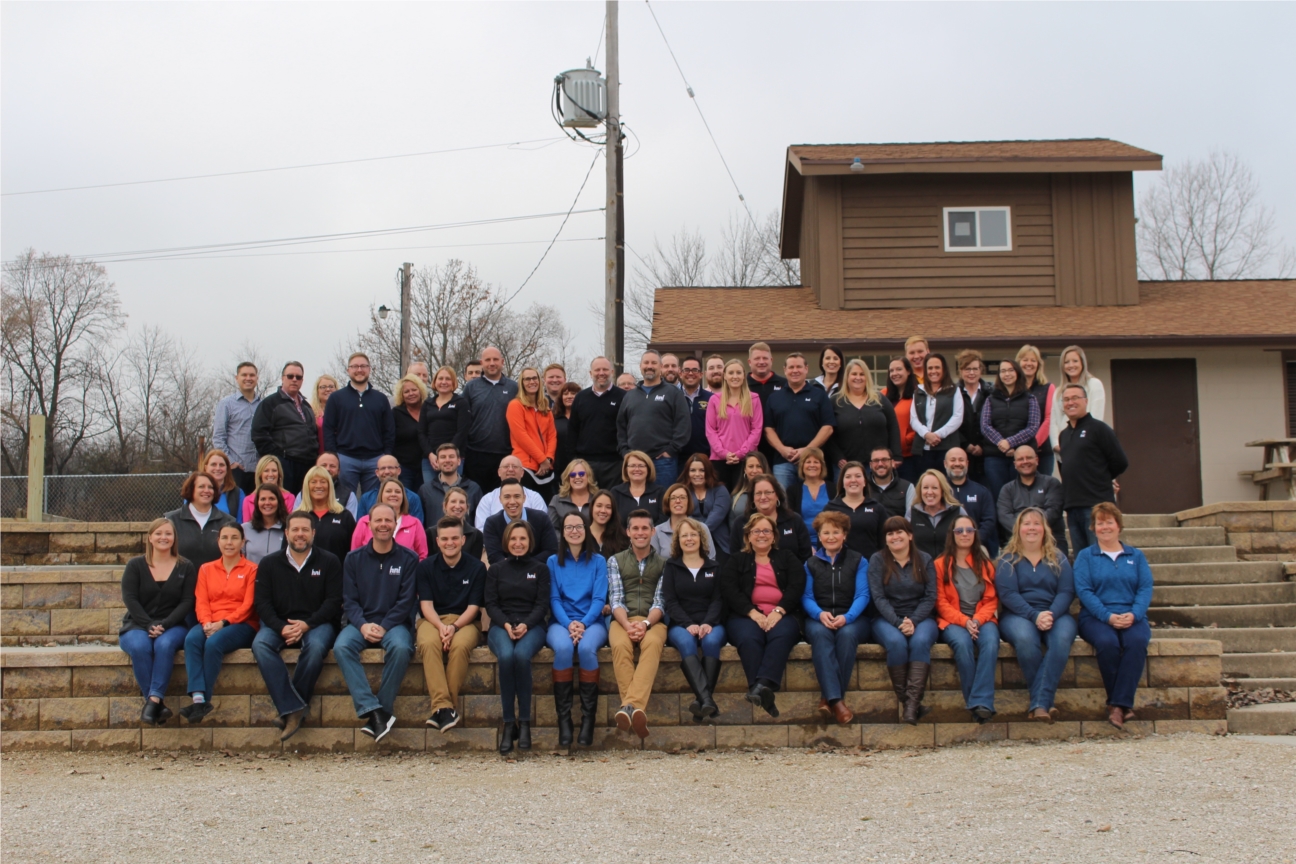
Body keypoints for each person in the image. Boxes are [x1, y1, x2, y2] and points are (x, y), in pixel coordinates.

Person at [251, 511, 342, 741]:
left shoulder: (329, 561)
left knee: (315, 649)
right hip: (278, 624)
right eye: (295, 530)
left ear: (313, 533)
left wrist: (307, 625)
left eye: (304, 530)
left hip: (317, 624)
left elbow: (334, 601)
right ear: (286, 533)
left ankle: (289, 710)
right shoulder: (269, 563)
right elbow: (262, 602)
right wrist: (281, 627)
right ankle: (294, 706)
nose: (300, 534)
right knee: (260, 645)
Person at [334, 502, 418, 742]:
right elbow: (349, 600)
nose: (383, 525)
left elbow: (406, 601)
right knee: (341, 647)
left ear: (396, 524)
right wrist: (362, 625)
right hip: (360, 623)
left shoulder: (409, 558)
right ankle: (372, 709)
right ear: (368, 524)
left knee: (402, 648)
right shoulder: (353, 559)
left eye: (388, 521)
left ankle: (381, 710)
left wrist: (384, 626)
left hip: (394, 624)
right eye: (378, 521)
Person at [1074, 503, 1154, 730]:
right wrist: (1107, 616)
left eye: (1109, 522)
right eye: (1100, 523)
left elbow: (1145, 588)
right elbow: (1084, 591)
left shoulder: (1135, 556)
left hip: (1132, 615)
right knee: (1108, 643)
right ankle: (1122, 705)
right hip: (1095, 617)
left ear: (1118, 526)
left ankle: (1117, 706)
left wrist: (1135, 614)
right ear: (1093, 527)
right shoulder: (1085, 557)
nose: (1105, 527)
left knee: (1137, 641)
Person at [996, 507, 1078, 723]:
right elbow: (1008, 594)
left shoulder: (1058, 557)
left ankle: (1039, 704)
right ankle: (1044, 703)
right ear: (1018, 529)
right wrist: (1034, 615)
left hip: (1056, 613)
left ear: (1044, 529)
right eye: (1026, 523)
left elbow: (1066, 591)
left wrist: (1050, 614)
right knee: (1025, 639)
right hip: (1018, 615)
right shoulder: (1007, 560)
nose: (1031, 528)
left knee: (1061, 640)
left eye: (1036, 523)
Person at [720, 513, 805, 719]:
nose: (761, 535)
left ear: (774, 536)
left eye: (766, 531)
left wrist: (779, 610)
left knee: (781, 636)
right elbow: (730, 590)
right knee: (749, 638)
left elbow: (796, 586)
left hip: (783, 613)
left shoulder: (787, 557)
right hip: (745, 614)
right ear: (748, 536)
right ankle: (763, 690)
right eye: (756, 531)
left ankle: (759, 687)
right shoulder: (737, 560)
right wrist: (753, 613)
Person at [119, 518, 197, 725]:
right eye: (159, 533)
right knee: (140, 646)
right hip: (137, 624)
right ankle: (157, 705)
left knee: (164, 644)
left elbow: (187, 601)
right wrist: (148, 624)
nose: (164, 537)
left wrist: (166, 624)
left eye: (168, 534)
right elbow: (130, 599)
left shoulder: (185, 566)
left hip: (174, 625)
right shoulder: (135, 565)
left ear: (174, 538)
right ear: (150, 538)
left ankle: (152, 701)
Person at [181, 523, 259, 723]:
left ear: (243, 542)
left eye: (234, 538)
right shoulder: (206, 569)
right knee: (191, 640)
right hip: (210, 622)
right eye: (224, 538)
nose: (229, 542)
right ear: (218, 542)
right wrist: (207, 623)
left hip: (241, 624)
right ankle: (199, 697)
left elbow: (248, 605)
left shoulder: (252, 569)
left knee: (214, 644)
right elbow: (201, 600)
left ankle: (203, 699)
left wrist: (223, 623)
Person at [415, 516, 487, 732]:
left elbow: (474, 608)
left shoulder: (476, 568)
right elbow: (426, 606)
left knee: (460, 646)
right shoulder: (426, 567)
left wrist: (454, 628)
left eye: (455, 538)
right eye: (445, 539)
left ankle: (443, 708)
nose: (450, 543)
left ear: (463, 540)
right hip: (433, 619)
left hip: (465, 622)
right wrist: (441, 627)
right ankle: (445, 708)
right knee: (428, 644)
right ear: (437, 541)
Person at [486, 520, 551, 753]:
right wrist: (505, 623)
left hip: (531, 625)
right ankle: (508, 723)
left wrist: (526, 624)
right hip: (500, 626)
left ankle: (524, 723)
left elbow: (542, 604)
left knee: (521, 656)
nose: (518, 543)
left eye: (522, 538)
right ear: (506, 541)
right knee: (506, 656)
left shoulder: (540, 569)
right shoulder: (496, 569)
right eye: (513, 539)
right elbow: (491, 604)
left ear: (529, 541)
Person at [547, 511, 610, 748]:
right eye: (569, 527)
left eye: (579, 526)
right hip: (561, 622)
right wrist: (569, 623)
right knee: (563, 648)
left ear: (586, 530)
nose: (574, 531)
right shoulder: (553, 562)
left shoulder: (598, 562)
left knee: (586, 649)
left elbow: (598, 598)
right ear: (562, 533)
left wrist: (583, 623)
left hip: (592, 622)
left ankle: (587, 720)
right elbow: (554, 599)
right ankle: (564, 721)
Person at [868, 516, 939, 725]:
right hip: (886, 618)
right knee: (896, 643)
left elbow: (930, 596)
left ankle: (910, 707)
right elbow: (878, 597)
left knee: (919, 642)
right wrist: (898, 622)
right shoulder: (878, 560)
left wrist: (913, 621)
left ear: (910, 535)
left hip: (921, 617)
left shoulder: (924, 559)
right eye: (890, 533)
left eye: (900, 532)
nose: (895, 536)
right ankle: (911, 706)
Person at [802, 511, 869, 725]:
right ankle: (837, 701)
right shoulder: (810, 563)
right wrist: (819, 614)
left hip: (852, 617)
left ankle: (828, 698)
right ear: (819, 537)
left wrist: (847, 617)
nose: (831, 537)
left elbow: (862, 594)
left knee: (847, 635)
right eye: (826, 533)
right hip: (818, 617)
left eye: (836, 532)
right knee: (821, 636)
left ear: (844, 535)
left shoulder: (859, 560)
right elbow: (806, 596)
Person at [607, 510, 669, 739]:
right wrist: (627, 624)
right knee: (620, 647)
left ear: (653, 532)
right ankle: (636, 709)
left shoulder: (664, 564)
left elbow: (660, 601)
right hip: (622, 620)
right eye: (635, 528)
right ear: (628, 532)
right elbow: (616, 599)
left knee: (652, 645)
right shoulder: (615, 561)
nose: (640, 533)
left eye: (645, 528)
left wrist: (644, 624)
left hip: (653, 621)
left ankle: (628, 707)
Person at [935, 514, 999, 723]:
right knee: (962, 644)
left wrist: (978, 620)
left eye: (969, 530)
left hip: (982, 619)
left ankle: (979, 702)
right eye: (959, 531)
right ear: (952, 535)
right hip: (953, 621)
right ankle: (980, 705)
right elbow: (941, 603)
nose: (964, 534)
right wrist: (964, 621)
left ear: (975, 534)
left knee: (990, 642)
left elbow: (991, 599)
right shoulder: (940, 565)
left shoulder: (985, 564)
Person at [661, 517, 723, 723]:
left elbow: (718, 599)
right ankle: (707, 701)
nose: (689, 539)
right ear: (678, 540)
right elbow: (670, 601)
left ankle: (703, 702)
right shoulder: (671, 566)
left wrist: (707, 623)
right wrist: (688, 623)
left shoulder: (714, 567)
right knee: (687, 643)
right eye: (684, 535)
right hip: (681, 624)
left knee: (712, 642)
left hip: (711, 622)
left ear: (701, 538)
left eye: (693, 534)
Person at [1058, 383, 1128, 552]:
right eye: (1066, 399)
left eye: (1075, 398)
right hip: (1073, 507)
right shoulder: (1064, 435)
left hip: (1096, 506)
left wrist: (1102, 479)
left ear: (1086, 401)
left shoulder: (1099, 429)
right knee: (1082, 557)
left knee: (1099, 554)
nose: (1070, 402)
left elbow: (1120, 461)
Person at [323, 352, 395, 496]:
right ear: (348, 370)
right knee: (344, 499)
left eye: (363, 366)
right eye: (355, 366)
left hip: (375, 459)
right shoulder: (336, 398)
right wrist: (334, 456)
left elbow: (389, 430)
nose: (359, 370)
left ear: (369, 369)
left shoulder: (380, 398)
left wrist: (386, 455)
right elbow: (328, 428)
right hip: (346, 458)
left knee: (373, 500)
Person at [617, 350, 691, 487]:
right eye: (646, 362)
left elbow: (683, 424)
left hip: (663, 462)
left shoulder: (673, 393)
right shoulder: (629, 396)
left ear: (661, 367)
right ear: (640, 366)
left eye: (654, 363)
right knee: (636, 502)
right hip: (635, 461)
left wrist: (671, 451)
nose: (649, 366)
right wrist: (625, 452)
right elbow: (621, 426)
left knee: (663, 502)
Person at [764, 352, 835, 491]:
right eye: (791, 367)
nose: (795, 371)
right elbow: (768, 429)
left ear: (806, 369)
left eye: (799, 367)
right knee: (783, 503)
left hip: (813, 461)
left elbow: (828, 427)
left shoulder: (819, 395)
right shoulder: (774, 398)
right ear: (785, 370)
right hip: (783, 462)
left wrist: (808, 450)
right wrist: (782, 450)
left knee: (813, 501)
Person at [979, 359, 1041, 503]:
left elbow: (1032, 427)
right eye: (1003, 371)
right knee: (998, 497)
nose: (1007, 374)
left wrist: (1011, 443)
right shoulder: (990, 399)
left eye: (1010, 370)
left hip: (1021, 457)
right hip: (994, 457)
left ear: (1018, 373)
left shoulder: (1030, 398)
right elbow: (985, 426)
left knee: (1021, 498)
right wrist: (1002, 443)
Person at [251, 361, 316, 495]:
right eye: (290, 376)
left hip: (307, 465)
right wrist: (278, 459)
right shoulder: (270, 403)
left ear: (302, 380)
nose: (294, 380)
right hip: (285, 465)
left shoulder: (307, 406)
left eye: (298, 377)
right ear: (282, 378)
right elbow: (259, 434)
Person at [458, 347, 518, 493]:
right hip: (476, 454)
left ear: (502, 362)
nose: (492, 363)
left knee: (503, 497)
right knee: (476, 498)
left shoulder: (513, 387)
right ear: (481, 363)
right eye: (488, 360)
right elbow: (463, 420)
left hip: (505, 454)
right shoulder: (471, 387)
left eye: (495, 359)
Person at [828, 358, 900, 474]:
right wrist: (838, 457)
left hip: (879, 465)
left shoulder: (880, 399)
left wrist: (896, 456)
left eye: (862, 374)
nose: (858, 377)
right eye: (854, 374)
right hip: (846, 466)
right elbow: (828, 433)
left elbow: (893, 427)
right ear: (847, 377)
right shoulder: (834, 402)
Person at [705, 358, 765, 491]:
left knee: (744, 499)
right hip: (720, 460)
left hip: (746, 460)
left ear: (744, 375)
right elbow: (710, 430)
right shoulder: (715, 400)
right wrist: (724, 453)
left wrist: (741, 454)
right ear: (725, 376)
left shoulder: (753, 399)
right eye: (731, 373)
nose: (735, 376)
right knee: (722, 499)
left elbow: (756, 429)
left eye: (738, 373)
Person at [569, 356, 625, 491]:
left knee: (612, 503)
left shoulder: (623, 397)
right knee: (587, 501)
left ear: (612, 372)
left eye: (605, 369)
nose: (601, 373)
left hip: (615, 464)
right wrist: (574, 460)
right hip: (586, 463)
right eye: (597, 370)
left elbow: (628, 429)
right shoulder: (581, 397)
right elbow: (573, 430)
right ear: (590, 373)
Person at [997, 444, 1066, 553]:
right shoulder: (1007, 489)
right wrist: (1026, 532)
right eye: (1020, 459)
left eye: (1029, 458)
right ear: (1015, 464)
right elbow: (1004, 516)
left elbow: (1053, 512)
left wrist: (1033, 530)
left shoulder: (1051, 483)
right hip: (1018, 543)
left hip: (1051, 542)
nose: (1025, 462)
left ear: (1037, 460)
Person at [506, 366, 558, 500]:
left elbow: (552, 435)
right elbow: (521, 436)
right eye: (527, 379)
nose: (531, 382)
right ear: (521, 383)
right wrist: (541, 459)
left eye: (534, 378)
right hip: (525, 467)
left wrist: (549, 459)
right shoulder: (515, 405)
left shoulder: (545, 407)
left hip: (546, 468)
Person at [166, 472, 237, 568]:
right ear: (191, 490)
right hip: (181, 581)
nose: (206, 490)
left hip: (216, 581)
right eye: (201, 486)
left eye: (210, 487)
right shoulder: (171, 520)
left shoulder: (228, 521)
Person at [740, 474, 813, 563]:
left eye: (768, 492)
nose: (763, 497)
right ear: (752, 498)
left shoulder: (794, 520)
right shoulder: (741, 523)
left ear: (777, 495)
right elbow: (736, 559)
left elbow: (806, 555)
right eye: (758, 493)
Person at [212, 361, 261, 494]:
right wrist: (230, 462)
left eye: (252, 375)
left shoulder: (263, 405)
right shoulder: (226, 404)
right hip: (236, 470)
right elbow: (218, 437)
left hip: (258, 470)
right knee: (236, 509)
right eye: (244, 375)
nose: (248, 378)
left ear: (257, 378)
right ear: (237, 378)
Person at [910, 353, 963, 474]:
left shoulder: (953, 390)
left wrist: (937, 435)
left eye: (937, 367)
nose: (933, 371)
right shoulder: (918, 392)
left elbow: (957, 417)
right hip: (922, 449)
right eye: (930, 368)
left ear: (944, 369)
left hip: (946, 448)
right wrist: (926, 434)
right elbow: (914, 419)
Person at [483, 478, 559, 564]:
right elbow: (494, 557)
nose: (512, 501)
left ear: (524, 498)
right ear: (500, 499)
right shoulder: (492, 523)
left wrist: (525, 567)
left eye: (517, 496)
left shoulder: (541, 518)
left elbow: (551, 550)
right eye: (507, 497)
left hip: (538, 572)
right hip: (505, 574)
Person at [824, 460, 887, 561]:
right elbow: (823, 543)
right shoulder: (830, 508)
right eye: (848, 477)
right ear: (842, 482)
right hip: (839, 567)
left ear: (865, 481)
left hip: (871, 566)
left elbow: (884, 542)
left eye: (858, 476)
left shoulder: (877, 508)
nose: (853, 480)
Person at [351, 479, 429, 559]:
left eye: (398, 492)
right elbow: (354, 555)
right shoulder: (364, 522)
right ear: (381, 494)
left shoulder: (415, 523)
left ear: (403, 496)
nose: (393, 494)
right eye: (388, 491)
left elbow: (422, 555)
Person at [1051, 345, 1106, 458]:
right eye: (1067, 362)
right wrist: (1056, 444)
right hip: (1064, 449)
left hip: (1087, 447)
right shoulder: (1058, 392)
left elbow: (1096, 417)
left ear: (1082, 363)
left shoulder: (1094, 385)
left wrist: (1082, 442)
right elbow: (1054, 421)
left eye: (1075, 361)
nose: (1071, 365)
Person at [295, 465, 356, 564]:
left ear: (330, 486)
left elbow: (353, 552)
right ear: (307, 486)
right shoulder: (296, 517)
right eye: (313, 482)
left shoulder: (345, 516)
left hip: (336, 576)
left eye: (323, 482)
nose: (318, 486)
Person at [943, 447, 998, 556]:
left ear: (967, 463)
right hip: (944, 547)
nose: (957, 463)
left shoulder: (981, 491)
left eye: (961, 460)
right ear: (945, 464)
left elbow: (989, 521)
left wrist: (973, 541)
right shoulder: (938, 491)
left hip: (976, 547)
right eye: (953, 460)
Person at [418, 366, 466, 489]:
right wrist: (430, 454)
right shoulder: (427, 404)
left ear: (453, 382)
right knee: (431, 493)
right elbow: (421, 432)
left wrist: (448, 455)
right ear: (435, 382)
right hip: (430, 460)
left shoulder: (461, 402)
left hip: (454, 458)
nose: (444, 382)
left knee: (452, 494)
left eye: (448, 379)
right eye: (440, 379)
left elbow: (462, 431)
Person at [472, 455, 547, 529]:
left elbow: (541, 527)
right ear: (499, 472)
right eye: (506, 467)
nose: (510, 469)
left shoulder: (535, 498)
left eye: (515, 466)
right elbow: (482, 530)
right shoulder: (487, 500)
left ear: (522, 472)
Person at [417, 443, 483, 526]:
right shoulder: (425, 490)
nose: (447, 460)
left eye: (451, 456)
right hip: (434, 538)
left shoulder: (474, 488)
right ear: (437, 461)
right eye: (443, 457)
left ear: (459, 461)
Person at [681, 453, 732, 559]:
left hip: (719, 544)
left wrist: (699, 534)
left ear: (708, 471)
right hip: (690, 543)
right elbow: (683, 516)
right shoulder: (683, 492)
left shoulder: (720, 490)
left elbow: (717, 516)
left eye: (702, 470)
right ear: (687, 473)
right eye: (693, 470)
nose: (697, 474)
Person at [1017, 344, 1057, 478]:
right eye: (1025, 360)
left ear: (1038, 364)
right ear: (1018, 363)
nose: (1029, 363)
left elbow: (1049, 418)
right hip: (1016, 451)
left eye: (1033, 360)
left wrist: (1033, 444)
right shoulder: (1011, 389)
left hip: (1043, 451)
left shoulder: (1048, 388)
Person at [908, 469, 966, 560]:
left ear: (942, 491)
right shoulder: (912, 512)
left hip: (951, 566)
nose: (929, 492)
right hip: (921, 568)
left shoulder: (957, 511)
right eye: (925, 488)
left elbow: (969, 537)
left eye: (934, 488)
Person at [746, 341, 787, 468]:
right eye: (757, 358)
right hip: (750, 448)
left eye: (765, 358)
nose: (761, 362)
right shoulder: (742, 385)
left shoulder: (785, 384)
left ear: (771, 360)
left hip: (779, 449)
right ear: (749, 362)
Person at [955, 349, 993, 482]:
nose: (971, 373)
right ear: (960, 370)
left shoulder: (991, 393)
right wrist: (966, 444)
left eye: (975, 369)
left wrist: (982, 445)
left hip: (987, 452)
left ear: (981, 370)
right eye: (967, 369)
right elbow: (949, 421)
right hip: (961, 452)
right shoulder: (953, 393)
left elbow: (996, 421)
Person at [651, 482, 716, 560]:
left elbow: (711, 558)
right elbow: (654, 564)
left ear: (688, 501)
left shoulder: (702, 528)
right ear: (667, 502)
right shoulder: (657, 531)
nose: (678, 501)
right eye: (673, 498)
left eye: (682, 497)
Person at [356, 455, 425, 524]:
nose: (387, 472)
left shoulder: (413, 498)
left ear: (398, 471)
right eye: (383, 468)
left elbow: (418, 527)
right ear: (377, 473)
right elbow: (361, 527)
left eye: (390, 468)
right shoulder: (366, 498)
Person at [391, 373, 429, 493]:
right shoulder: (396, 413)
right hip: (404, 467)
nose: (411, 394)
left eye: (414, 390)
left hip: (427, 465)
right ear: (401, 395)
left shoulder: (429, 410)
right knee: (406, 499)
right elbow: (390, 439)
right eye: (406, 392)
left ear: (421, 390)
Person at [786, 447, 831, 547]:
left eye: (816, 462)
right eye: (808, 462)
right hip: (803, 543)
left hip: (830, 542)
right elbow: (791, 523)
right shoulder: (793, 491)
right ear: (802, 465)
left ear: (822, 466)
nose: (812, 465)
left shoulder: (833, 489)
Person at [727, 452, 772, 549]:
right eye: (751, 466)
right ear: (745, 470)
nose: (755, 470)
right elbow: (732, 528)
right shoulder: (735, 497)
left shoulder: (775, 493)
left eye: (759, 466)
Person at [884, 357, 919, 482]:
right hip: (885, 457)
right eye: (891, 371)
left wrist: (905, 440)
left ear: (908, 371)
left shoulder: (918, 395)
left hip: (909, 457)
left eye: (899, 369)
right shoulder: (882, 395)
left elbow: (924, 422)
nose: (895, 374)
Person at [609, 451, 665, 527]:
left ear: (648, 469)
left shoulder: (660, 492)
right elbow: (612, 521)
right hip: (622, 538)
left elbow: (664, 519)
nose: (637, 469)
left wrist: (648, 534)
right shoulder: (616, 492)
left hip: (654, 537)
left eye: (641, 466)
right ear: (626, 469)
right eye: (632, 466)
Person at [677, 356, 713, 464]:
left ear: (701, 374)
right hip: (678, 457)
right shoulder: (672, 397)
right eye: (687, 370)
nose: (691, 373)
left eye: (695, 370)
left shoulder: (712, 398)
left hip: (706, 457)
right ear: (680, 373)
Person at [239, 455, 296, 522]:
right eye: (266, 471)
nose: (270, 474)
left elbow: (289, 525)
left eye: (274, 470)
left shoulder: (290, 498)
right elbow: (246, 529)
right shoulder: (248, 500)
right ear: (260, 474)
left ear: (279, 474)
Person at [865, 445, 916, 520]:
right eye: (876, 461)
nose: (880, 464)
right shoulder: (862, 487)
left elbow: (911, 518)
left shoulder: (907, 487)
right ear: (870, 465)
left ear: (892, 463)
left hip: (897, 530)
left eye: (884, 460)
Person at [242, 484, 287, 564]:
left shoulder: (288, 529)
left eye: (271, 499)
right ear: (257, 503)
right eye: (263, 499)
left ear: (279, 501)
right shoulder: (245, 528)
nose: (267, 503)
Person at [549, 458, 598, 529]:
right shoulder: (556, 500)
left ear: (588, 476)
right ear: (568, 478)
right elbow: (552, 529)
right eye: (572, 475)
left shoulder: (598, 499)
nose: (577, 477)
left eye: (581, 474)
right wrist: (566, 539)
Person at [440, 486, 484, 562]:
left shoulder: (477, 535)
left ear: (467, 507)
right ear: (445, 506)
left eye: (462, 502)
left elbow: (475, 565)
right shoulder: (432, 533)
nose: (457, 506)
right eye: (453, 501)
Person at [199, 449, 244, 518]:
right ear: (206, 467)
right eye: (213, 464)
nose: (218, 468)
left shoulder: (237, 493)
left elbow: (240, 522)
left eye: (221, 465)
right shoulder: (194, 491)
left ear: (227, 469)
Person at [316, 451, 359, 518]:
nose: (327, 469)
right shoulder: (303, 493)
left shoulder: (349, 496)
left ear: (338, 471)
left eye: (332, 466)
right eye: (323, 465)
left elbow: (350, 525)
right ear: (315, 469)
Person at [553, 381, 581, 478]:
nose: (569, 396)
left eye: (573, 393)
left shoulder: (584, 418)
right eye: (565, 394)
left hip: (580, 467)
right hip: (558, 467)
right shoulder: (553, 418)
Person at [588, 490, 630, 557]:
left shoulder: (622, 538)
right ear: (592, 507)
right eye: (599, 506)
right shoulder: (582, 535)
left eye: (608, 507)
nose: (603, 511)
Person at [310, 375, 339, 457]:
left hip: (340, 456)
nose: (328, 389)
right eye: (323, 387)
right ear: (317, 391)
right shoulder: (310, 411)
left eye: (331, 386)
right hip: (317, 456)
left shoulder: (343, 410)